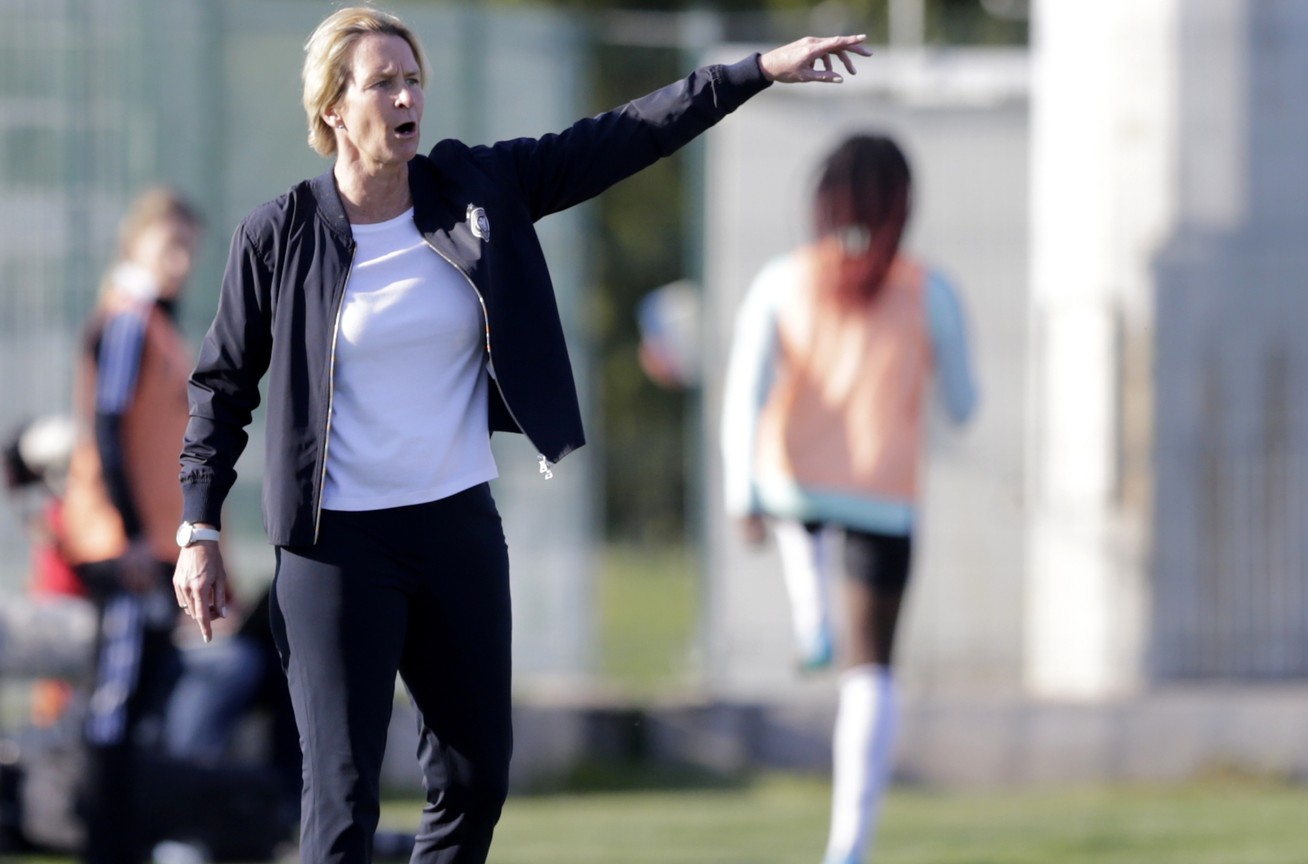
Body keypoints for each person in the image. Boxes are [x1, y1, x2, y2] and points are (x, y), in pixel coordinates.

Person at [172, 7, 869, 862]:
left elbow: (618, 138)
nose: (406, 94)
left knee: (474, 781)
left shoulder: (475, 191)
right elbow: (221, 389)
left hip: (456, 529)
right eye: (382, 82)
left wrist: (753, 71)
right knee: (341, 797)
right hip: (335, 551)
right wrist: (199, 527)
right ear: (333, 110)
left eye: (413, 77)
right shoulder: (278, 236)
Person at [720, 133, 978, 864]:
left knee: (800, 511)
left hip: (790, 480)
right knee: (871, 670)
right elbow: (963, 401)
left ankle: (810, 609)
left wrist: (742, 494)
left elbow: (745, 397)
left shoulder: (781, 281)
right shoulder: (930, 290)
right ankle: (849, 846)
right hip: (883, 494)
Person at [53, 187, 203, 864]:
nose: (180, 260)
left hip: (155, 542)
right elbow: (110, 428)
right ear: (136, 241)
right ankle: (102, 842)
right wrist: (135, 534)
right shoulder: (126, 320)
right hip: (123, 545)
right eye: (169, 244)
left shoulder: (157, 324)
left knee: (147, 696)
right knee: (113, 702)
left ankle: (132, 839)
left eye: (188, 248)